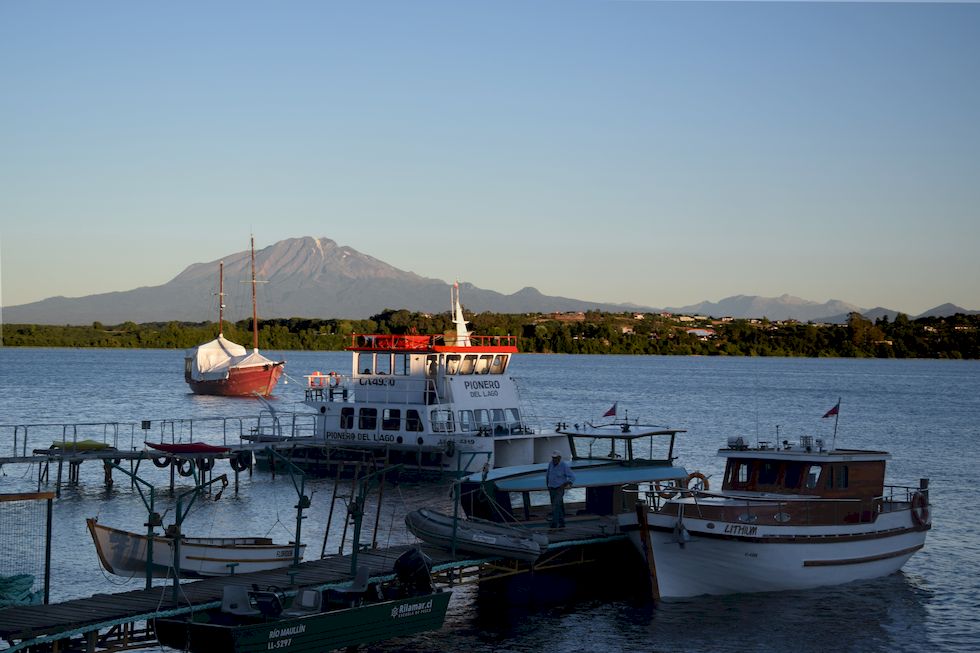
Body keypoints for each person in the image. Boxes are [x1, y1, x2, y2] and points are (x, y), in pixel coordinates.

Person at [546, 450, 575, 528]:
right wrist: (547, 486)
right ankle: (562, 522)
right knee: (556, 505)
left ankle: (554, 524)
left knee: (555, 505)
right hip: (551, 488)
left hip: (559, 489)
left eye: (555, 458)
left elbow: (572, 476)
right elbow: (547, 475)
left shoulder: (564, 466)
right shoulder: (550, 464)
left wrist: (567, 483)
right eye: (553, 458)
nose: (554, 459)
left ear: (559, 458)